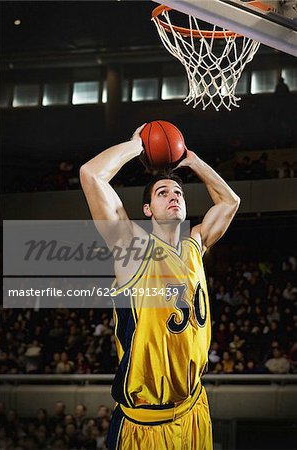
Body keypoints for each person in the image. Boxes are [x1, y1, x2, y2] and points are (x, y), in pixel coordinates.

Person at [80, 124, 240, 450]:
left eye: (178, 192)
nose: (174, 196)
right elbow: (91, 174)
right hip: (146, 424)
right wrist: (136, 145)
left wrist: (193, 161)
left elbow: (230, 201)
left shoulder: (196, 243)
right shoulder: (131, 247)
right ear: (148, 210)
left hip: (195, 408)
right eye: (162, 193)